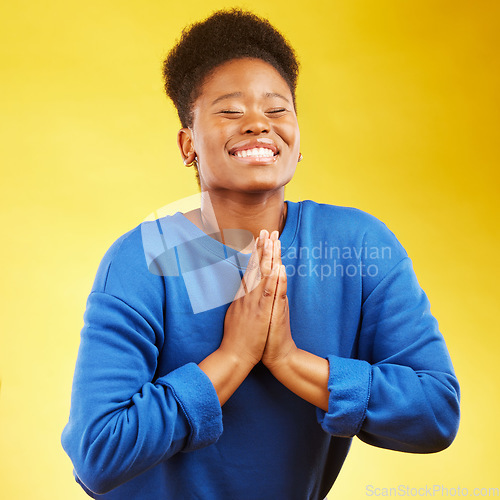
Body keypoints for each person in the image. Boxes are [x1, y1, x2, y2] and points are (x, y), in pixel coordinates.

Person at [61, 9, 460, 500]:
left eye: (277, 110)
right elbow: (97, 454)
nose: (257, 124)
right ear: (189, 145)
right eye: (229, 111)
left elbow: (436, 414)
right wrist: (233, 357)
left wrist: (289, 361)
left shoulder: (359, 245)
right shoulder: (142, 260)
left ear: (297, 140)